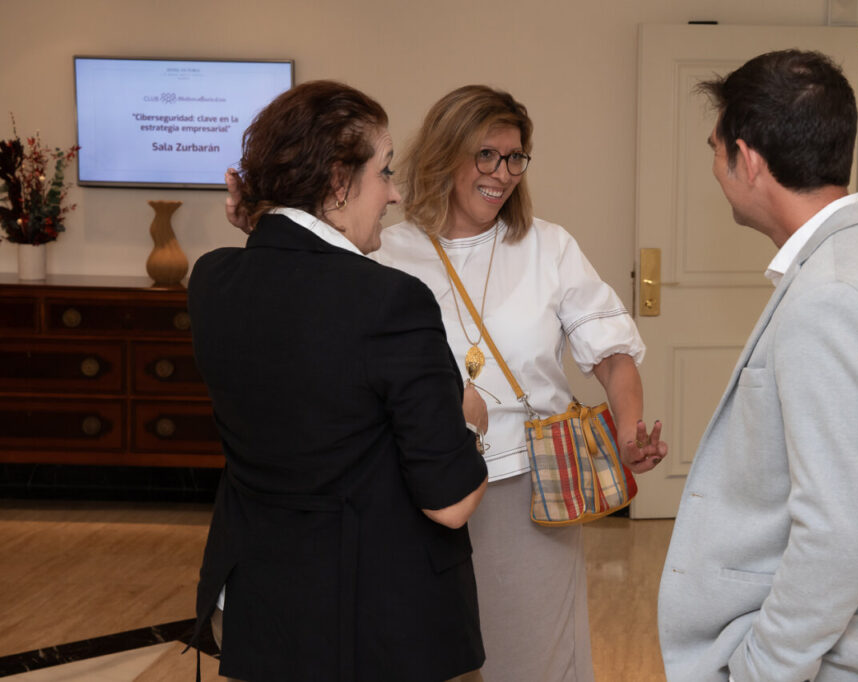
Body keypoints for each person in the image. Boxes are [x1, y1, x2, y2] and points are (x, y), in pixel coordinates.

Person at [224, 83, 669, 681]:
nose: (502, 173)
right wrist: (257, 220)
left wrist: (629, 426)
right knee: (428, 660)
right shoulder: (383, 249)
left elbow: (612, 355)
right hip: (413, 491)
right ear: (446, 154)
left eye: (515, 158)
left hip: (525, 489)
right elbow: (305, 282)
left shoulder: (548, 247)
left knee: (531, 661)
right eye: (486, 154)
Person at [657, 50, 858, 681]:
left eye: (715, 150)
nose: (714, 169)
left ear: (749, 160)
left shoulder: (833, 298)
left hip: (837, 661)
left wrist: (763, 670)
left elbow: (838, 535)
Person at [189, 80, 489, 681]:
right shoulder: (391, 302)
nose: (396, 194)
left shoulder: (212, 280)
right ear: (336, 179)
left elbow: (290, 296)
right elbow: (451, 504)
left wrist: (261, 220)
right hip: (371, 623)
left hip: (259, 605)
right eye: (386, 173)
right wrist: (469, 421)